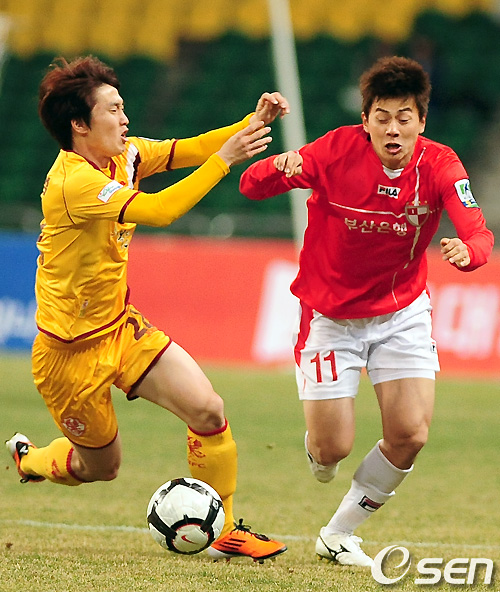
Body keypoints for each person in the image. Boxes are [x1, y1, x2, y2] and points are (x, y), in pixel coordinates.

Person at [5, 55, 290, 563]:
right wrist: (225, 160)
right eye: (113, 109)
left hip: (120, 329)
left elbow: (189, 149)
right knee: (101, 468)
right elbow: (160, 210)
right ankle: (32, 461)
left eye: (123, 107)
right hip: (67, 357)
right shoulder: (75, 183)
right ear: (80, 125)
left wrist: (251, 123)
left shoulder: (126, 155)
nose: (125, 118)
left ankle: (224, 532)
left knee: (208, 409)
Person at [239, 55, 493, 567]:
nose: (393, 129)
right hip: (330, 316)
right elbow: (251, 185)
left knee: (411, 434)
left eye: (404, 118)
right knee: (331, 449)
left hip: (402, 313)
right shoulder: (335, 150)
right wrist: (277, 166)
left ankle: (338, 533)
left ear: (422, 121)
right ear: (366, 120)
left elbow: (479, 233)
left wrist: (470, 253)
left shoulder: (441, 165)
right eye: (382, 117)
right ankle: (318, 447)